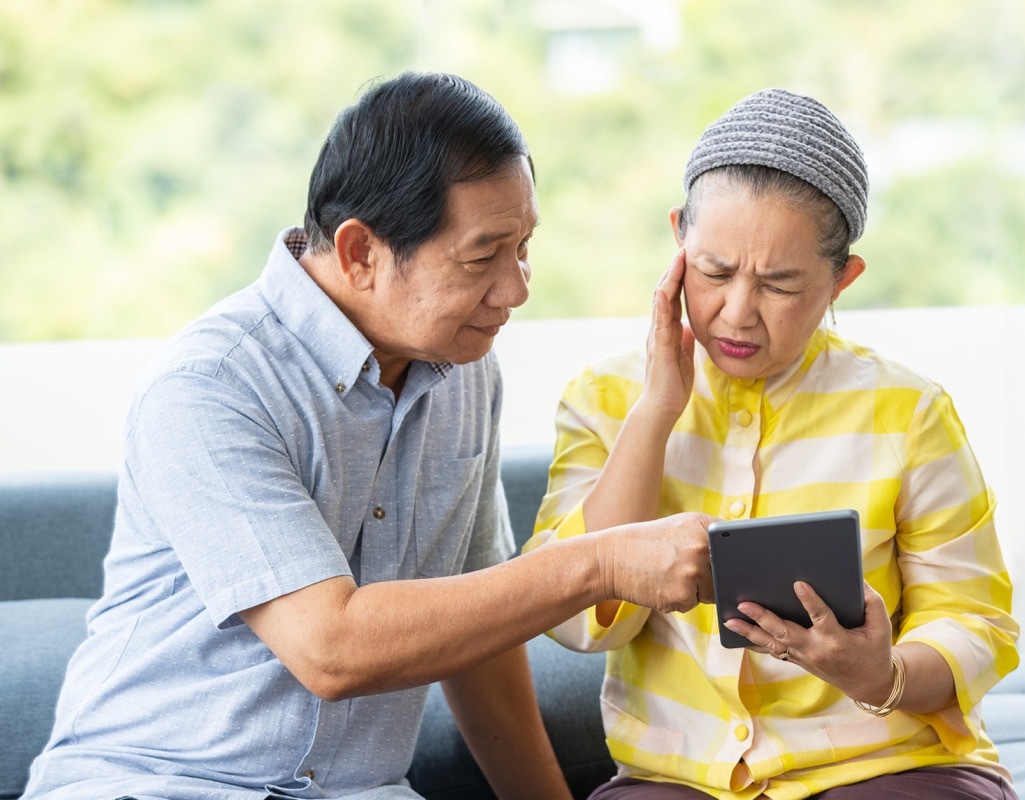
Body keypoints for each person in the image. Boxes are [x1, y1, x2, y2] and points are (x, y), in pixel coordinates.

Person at [21, 71, 716, 800]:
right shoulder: (210, 387)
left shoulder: (463, 367)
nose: (516, 290)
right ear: (359, 253)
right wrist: (598, 564)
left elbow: (478, 641)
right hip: (163, 784)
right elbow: (331, 648)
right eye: (483, 257)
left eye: (524, 247)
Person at [524, 89, 1020, 799]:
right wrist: (659, 408)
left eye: (781, 284)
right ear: (678, 241)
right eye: (715, 271)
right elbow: (579, 625)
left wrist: (883, 674)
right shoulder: (604, 401)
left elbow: (977, 621)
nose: (737, 312)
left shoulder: (910, 411)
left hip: (887, 767)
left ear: (841, 280)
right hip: (676, 780)